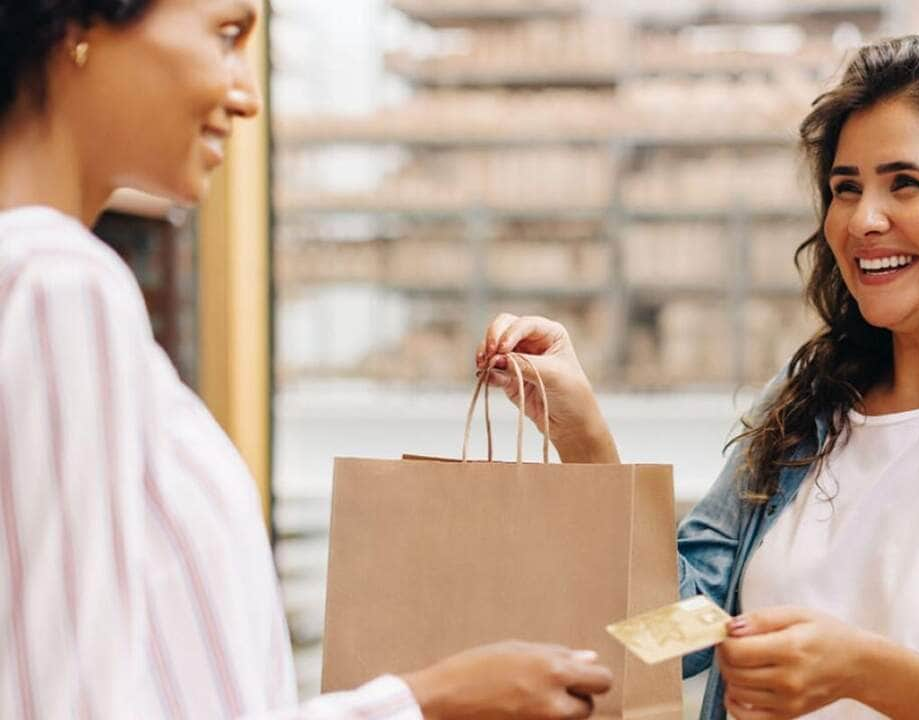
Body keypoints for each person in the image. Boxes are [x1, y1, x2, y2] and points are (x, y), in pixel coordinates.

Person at [476, 35, 919, 720]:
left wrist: (862, 671)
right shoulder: (805, 406)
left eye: (904, 183)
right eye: (843, 188)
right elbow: (670, 640)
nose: (862, 220)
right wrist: (582, 437)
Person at [0, 0, 612, 717]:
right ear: (79, 28)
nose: (247, 96)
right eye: (226, 36)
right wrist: (426, 701)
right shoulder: (57, 283)